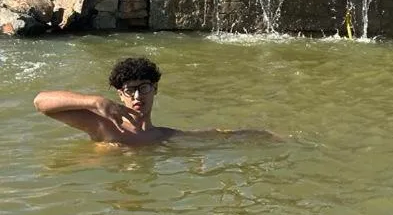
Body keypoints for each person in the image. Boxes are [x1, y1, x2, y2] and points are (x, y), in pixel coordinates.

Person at [33, 57, 276, 146]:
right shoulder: (104, 127)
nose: (138, 97)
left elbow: (215, 136)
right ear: (120, 94)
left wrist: (262, 135)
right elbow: (41, 102)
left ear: (155, 89)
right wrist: (94, 101)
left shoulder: (164, 136)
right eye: (130, 90)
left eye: (144, 88)